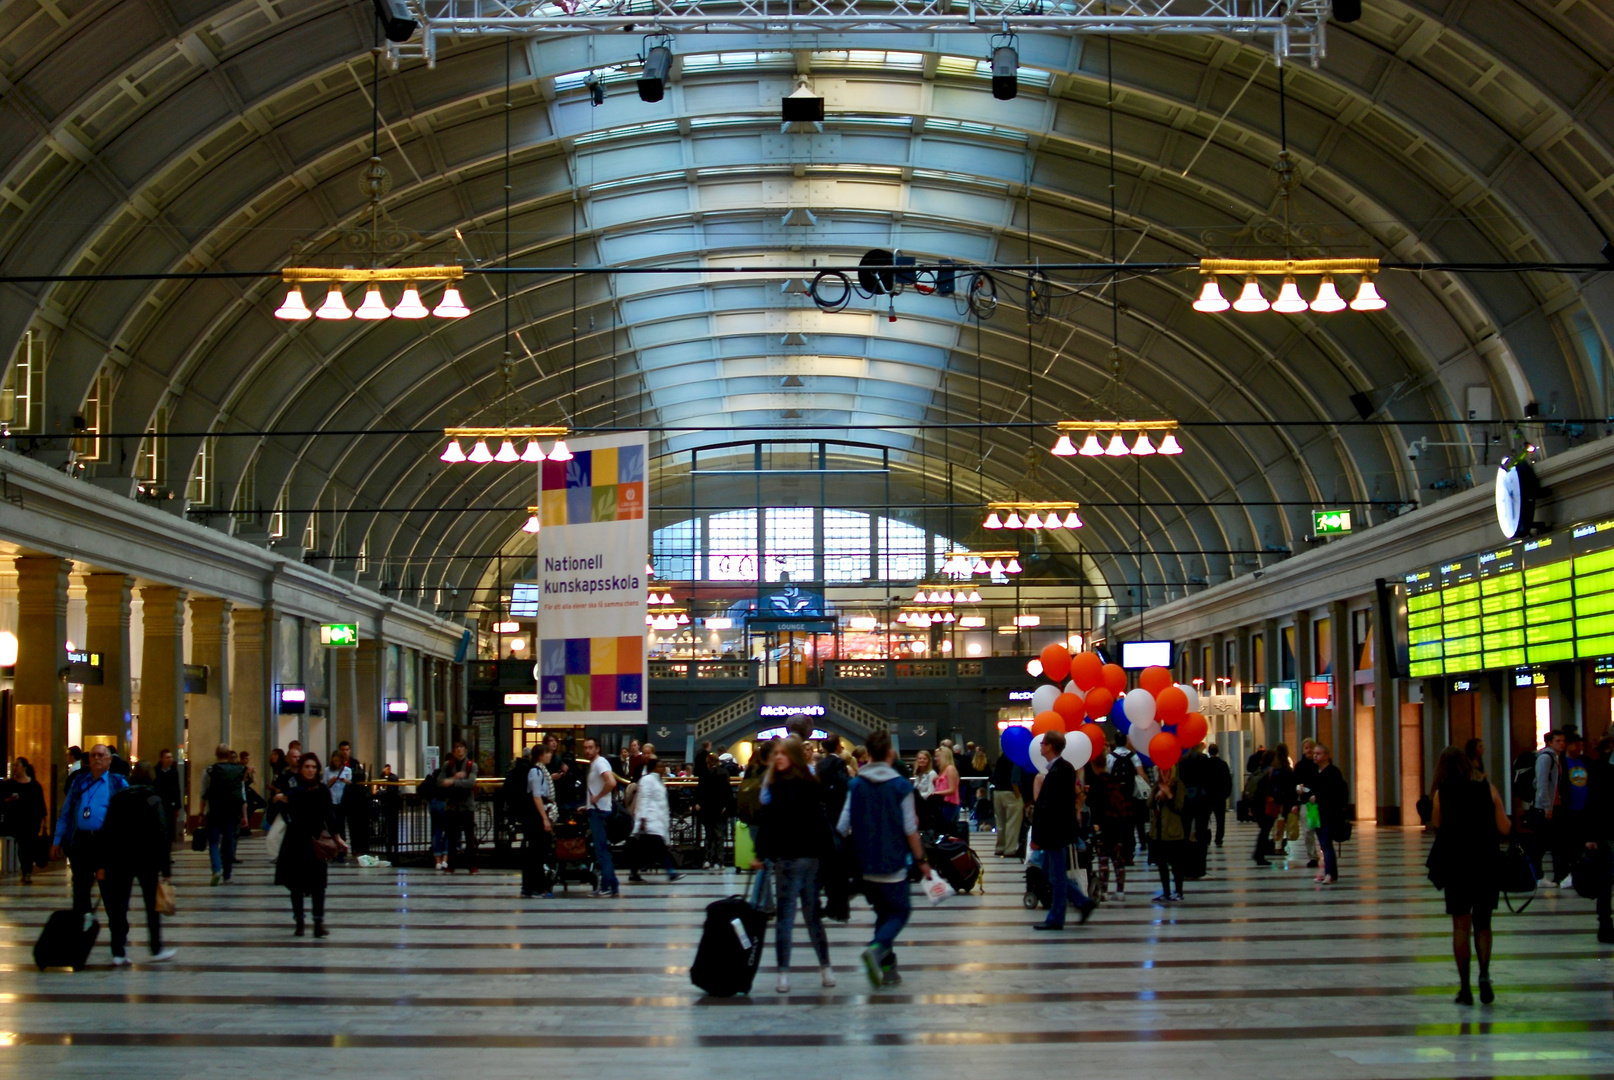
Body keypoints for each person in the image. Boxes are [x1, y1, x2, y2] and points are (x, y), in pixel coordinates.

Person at [836, 728, 928, 988]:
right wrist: (922, 860)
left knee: (882, 915)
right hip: (894, 864)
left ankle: (889, 970)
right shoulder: (901, 786)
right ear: (889, 753)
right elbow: (910, 829)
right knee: (900, 912)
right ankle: (876, 950)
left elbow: (843, 826)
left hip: (866, 866)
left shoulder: (855, 785)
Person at [1429, 745, 1510, 1005]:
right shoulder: (1488, 789)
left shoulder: (1443, 793)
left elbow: (1437, 825)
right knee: (1484, 923)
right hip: (1486, 863)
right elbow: (1505, 827)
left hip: (1457, 865)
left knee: (1460, 925)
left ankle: (1465, 989)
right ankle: (1484, 974)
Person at [760, 736, 834, 992]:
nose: (777, 757)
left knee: (805, 916)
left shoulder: (795, 786)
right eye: (776, 754)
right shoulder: (786, 784)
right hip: (790, 858)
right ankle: (786, 972)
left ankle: (823, 967)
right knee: (792, 917)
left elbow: (817, 822)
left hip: (804, 858)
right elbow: (770, 822)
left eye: (782, 753)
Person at [50, 745, 131, 964]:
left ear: (109, 760)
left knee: (111, 897)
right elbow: (66, 813)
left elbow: (127, 819)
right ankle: (78, 945)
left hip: (107, 845)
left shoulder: (118, 784)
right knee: (81, 895)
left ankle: (118, 947)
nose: (97, 759)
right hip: (82, 843)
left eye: (101, 755)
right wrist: (57, 840)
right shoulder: (79, 782)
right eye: (93, 755)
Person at [102, 763, 176, 963]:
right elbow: (162, 834)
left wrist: (105, 861)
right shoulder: (153, 799)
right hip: (147, 859)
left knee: (119, 905)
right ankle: (155, 948)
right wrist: (166, 867)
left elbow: (107, 830)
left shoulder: (118, 797)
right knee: (152, 906)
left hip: (120, 859)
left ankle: (118, 951)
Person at [273, 751, 345, 937]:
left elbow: (329, 815)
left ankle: (318, 922)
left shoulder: (322, 790)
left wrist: (337, 838)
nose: (310, 770)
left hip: (316, 841)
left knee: (318, 884)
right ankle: (299, 921)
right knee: (296, 884)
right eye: (307, 766)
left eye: (313, 767)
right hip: (296, 840)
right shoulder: (294, 788)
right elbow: (282, 806)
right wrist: (280, 799)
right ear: (301, 769)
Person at [1030, 730, 1097, 929]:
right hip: (1057, 832)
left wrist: (1039, 835)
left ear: (1050, 746)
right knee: (1052, 872)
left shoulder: (1059, 771)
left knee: (1057, 875)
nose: (1040, 746)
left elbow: (1050, 807)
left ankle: (1056, 918)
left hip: (1055, 833)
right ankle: (1083, 903)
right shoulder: (1063, 769)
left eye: (1043, 743)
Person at [1086, 750, 1132, 901]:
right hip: (1118, 825)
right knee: (1118, 860)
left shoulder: (1096, 783)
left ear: (1093, 765)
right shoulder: (1114, 781)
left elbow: (1091, 803)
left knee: (1103, 860)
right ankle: (1120, 891)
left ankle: (1104, 891)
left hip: (1102, 826)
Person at [628, 756, 682, 883]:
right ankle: (671, 872)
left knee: (644, 850)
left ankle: (634, 873)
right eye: (660, 766)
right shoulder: (647, 780)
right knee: (660, 848)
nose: (663, 769)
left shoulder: (659, 782)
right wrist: (642, 819)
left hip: (656, 820)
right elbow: (644, 799)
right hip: (650, 821)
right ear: (653, 768)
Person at [201, 744, 247, 886]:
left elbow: (203, 794)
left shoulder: (209, 771)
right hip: (231, 812)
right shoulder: (237, 771)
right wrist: (244, 815)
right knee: (228, 842)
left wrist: (201, 812)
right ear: (228, 755)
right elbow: (242, 794)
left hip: (214, 810)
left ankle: (216, 869)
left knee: (213, 842)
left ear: (216, 754)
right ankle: (227, 875)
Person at [1583, 734, 1614, 944]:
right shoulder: (1600, 767)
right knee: (1605, 883)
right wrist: (1591, 835)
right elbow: (1592, 801)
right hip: (1606, 832)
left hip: (1605, 831)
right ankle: (1605, 924)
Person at [582, 736, 620, 898]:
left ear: (597, 748)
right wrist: (589, 804)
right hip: (596, 809)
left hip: (599, 812)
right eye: (585, 747)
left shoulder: (600, 763)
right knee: (603, 850)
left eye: (590, 747)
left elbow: (611, 782)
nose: (587, 750)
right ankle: (612, 884)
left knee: (601, 850)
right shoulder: (595, 764)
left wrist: (597, 798)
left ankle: (606, 886)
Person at [1529, 727, 1566, 883]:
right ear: (1550, 742)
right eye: (1558, 741)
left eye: (1563, 741)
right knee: (1541, 844)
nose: (1561, 744)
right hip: (1544, 808)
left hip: (1553, 806)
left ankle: (1559, 875)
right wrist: (1547, 806)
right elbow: (1542, 784)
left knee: (1555, 843)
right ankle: (1537, 875)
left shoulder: (1556, 758)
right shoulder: (1546, 758)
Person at [437, 741, 479, 873]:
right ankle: (451, 865)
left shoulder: (471, 765)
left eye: (461, 747)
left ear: (465, 750)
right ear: (454, 751)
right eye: (456, 747)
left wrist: (452, 781)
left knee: (469, 837)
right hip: (452, 805)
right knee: (452, 836)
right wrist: (455, 778)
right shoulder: (447, 765)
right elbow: (440, 781)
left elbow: (470, 782)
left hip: (467, 805)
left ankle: (471, 865)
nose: (459, 750)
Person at [1149, 763, 1190, 903]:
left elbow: (1179, 806)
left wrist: (1168, 794)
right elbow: (1149, 804)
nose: (1163, 772)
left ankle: (1178, 891)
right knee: (1161, 864)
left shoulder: (1178, 784)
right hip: (1158, 831)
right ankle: (1166, 891)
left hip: (1173, 831)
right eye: (1160, 769)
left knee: (1177, 864)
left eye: (1165, 769)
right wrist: (1156, 793)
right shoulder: (1157, 784)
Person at [2, 757, 47, 884]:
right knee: (23, 846)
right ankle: (26, 871)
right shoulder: (9, 785)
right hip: (16, 820)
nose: (15, 768)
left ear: (24, 767)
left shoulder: (34, 785)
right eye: (14, 765)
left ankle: (27, 870)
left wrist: (44, 821)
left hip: (32, 821)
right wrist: (8, 800)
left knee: (28, 845)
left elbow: (40, 804)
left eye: (17, 765)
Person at [1309, 743, 1349, 884]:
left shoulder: (1333, 772)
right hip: (1318, 814)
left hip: (1330, 814)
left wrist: (1318, 797)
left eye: (1318, 753)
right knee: (1323, 845)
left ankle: (1330, 874)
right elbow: (1314, 789)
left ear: (1326, 755)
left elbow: (1333, 792)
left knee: (1326, 844)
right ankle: (1328, 872)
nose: (1315, 756)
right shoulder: (1315, 772)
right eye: (1314, 753)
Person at [522, 744, 556, 899]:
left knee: (536, 852)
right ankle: (536, 887)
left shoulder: (542, 771)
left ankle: (530, 887)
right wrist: (544, 818)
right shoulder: (536, 772)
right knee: (537, 852)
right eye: (547, 753)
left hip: (538, 813)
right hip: (535, 816)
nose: (550, 756)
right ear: (541, 755)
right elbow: (536, 796)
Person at [1557, 730, 1590, 891]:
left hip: (1583, 809)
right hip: (1567, 810)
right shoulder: (1561, 762)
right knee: (1567, 845)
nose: (1579, 748)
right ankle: (1565, 874)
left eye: (1581, 745)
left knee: (1581, 844)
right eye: (1576, 744)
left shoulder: (1585, 761)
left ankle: (1579, 873)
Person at [694, 752, 734, 868]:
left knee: (708, 834)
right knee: (719, 834)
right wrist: (726, 805)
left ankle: (707, 859)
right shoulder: (723, 773)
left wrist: (697, 803)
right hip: (719, 807)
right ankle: (719, 861)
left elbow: (700, 790)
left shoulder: (704, 773)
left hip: (706, 807)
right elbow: (727, 791)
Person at [990, 750, 1025, 858]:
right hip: (1010, 793)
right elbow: (1014, 780)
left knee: (1000, 822)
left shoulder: (1001, 757)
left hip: (998, 792)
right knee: (1012, 822)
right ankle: (1010, 849)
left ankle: (1000, 847)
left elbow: (993, 777)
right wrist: (1019, 796)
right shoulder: (1016, 758)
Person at [1293, 738, 1320, 868]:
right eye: (1306, 748)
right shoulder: (1299, 766)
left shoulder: (1319, 765)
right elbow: (1295, 784)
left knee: (1320, 830)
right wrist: (1297, 796)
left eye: (1311, 747)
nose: (1309, 750)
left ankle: (1325, 852)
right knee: (1307, 831)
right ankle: (1312, 856)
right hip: (1305, 802)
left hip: (1319, 802)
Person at [1201, 744, 1232, 847]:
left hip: (1207, 795)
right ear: (1217, 751)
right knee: (1220, 819)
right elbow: (1228, 780)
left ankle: (1205, 838)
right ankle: (1219, 839)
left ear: (1209, 752)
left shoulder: (1205, 764)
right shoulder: (1223, 764)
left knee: (1205, 818)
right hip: (1220, 795)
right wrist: (1227, 793)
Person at [545, 734, 583, 815]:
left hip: (559, 791)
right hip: (546, 792)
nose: (554, 743)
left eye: (555, 741)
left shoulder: (557, 757)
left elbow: (564, 768)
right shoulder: (542, 759)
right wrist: (550, 778)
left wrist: (564, 770)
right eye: (551, 741)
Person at [151, 749, 182, 843]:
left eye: (171, 757)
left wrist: (177, 806)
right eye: (167, 757)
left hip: (170, 805)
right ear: (162, 759)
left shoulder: (174, 771)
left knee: (170, 828)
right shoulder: (155, 771)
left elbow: (177, 789)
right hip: (159, 803)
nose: (170, 759)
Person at [932, 746, 962, 829]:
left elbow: (952, 789)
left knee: (947, 827)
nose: (935, 759)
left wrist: (935, 793)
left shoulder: (950, 769)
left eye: (937, 756)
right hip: (942, 804)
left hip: (950, 804)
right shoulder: (942, 771)